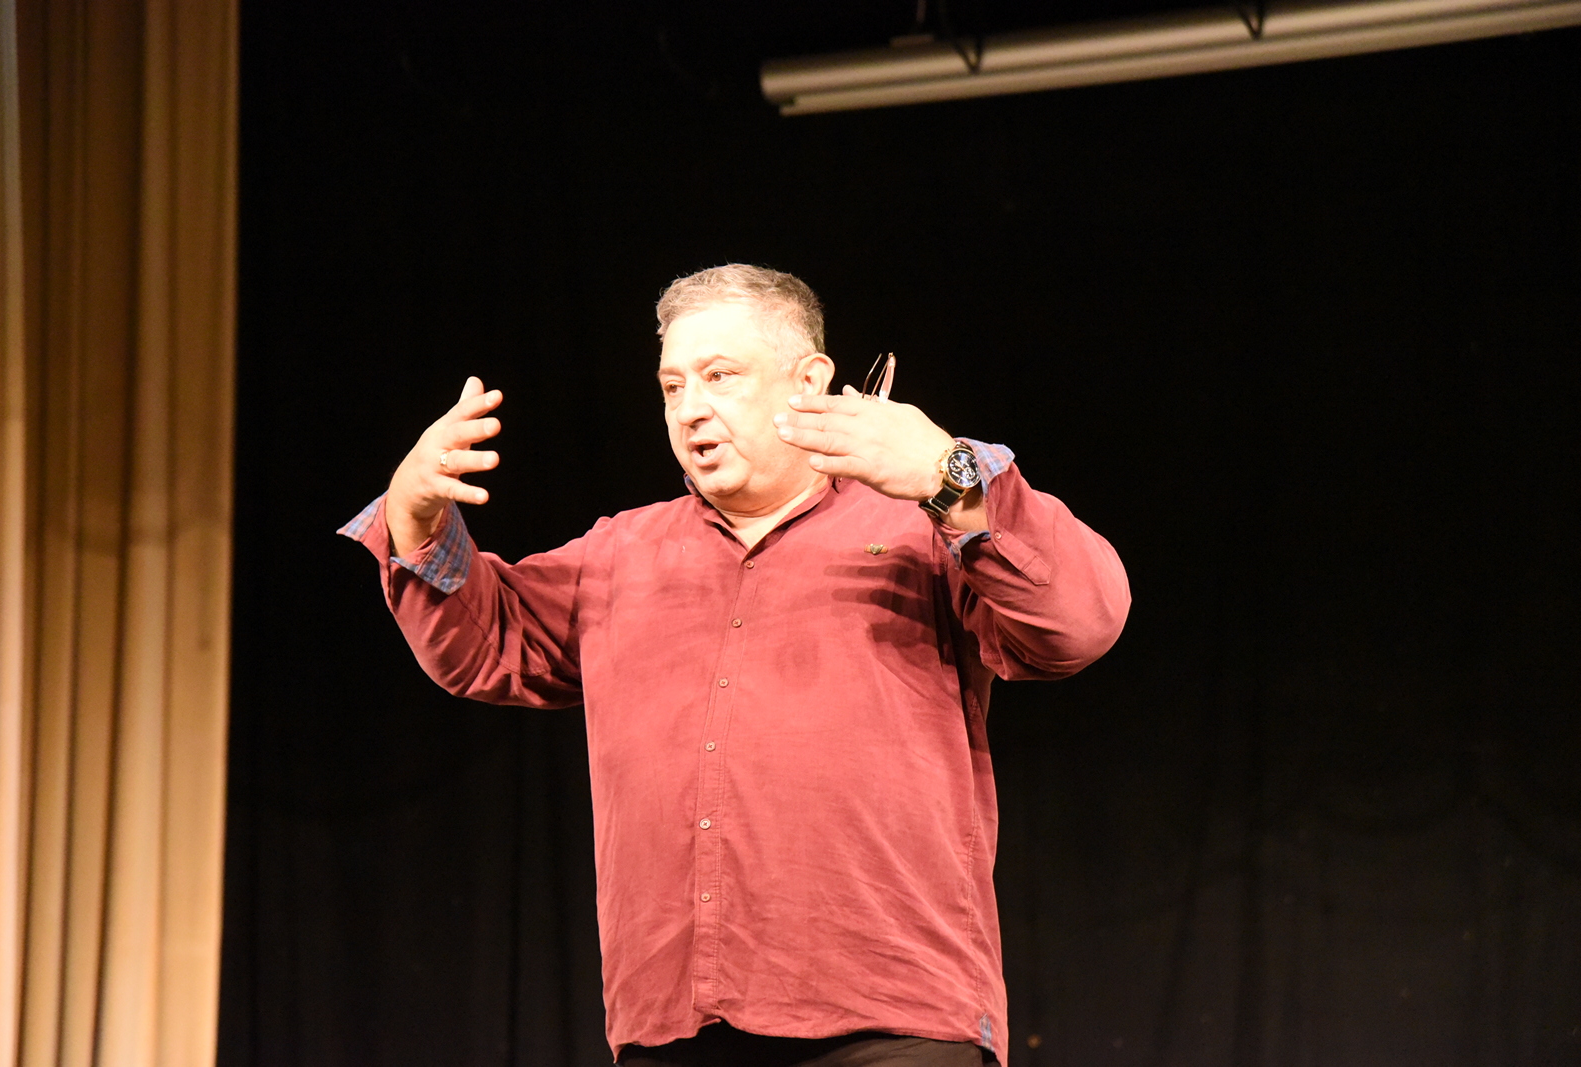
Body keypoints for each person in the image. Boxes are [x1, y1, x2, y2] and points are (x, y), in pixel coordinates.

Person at [341, 265, 1130, 1066]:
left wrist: (949, 477)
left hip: (892, 1019)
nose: (690, 407)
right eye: (672, 385)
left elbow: (1078, 622)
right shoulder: (620, 553)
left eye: (720, 376)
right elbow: (486, 643)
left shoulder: (918, 532)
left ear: (809, 381)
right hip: (677, 1027)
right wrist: (412, 516)